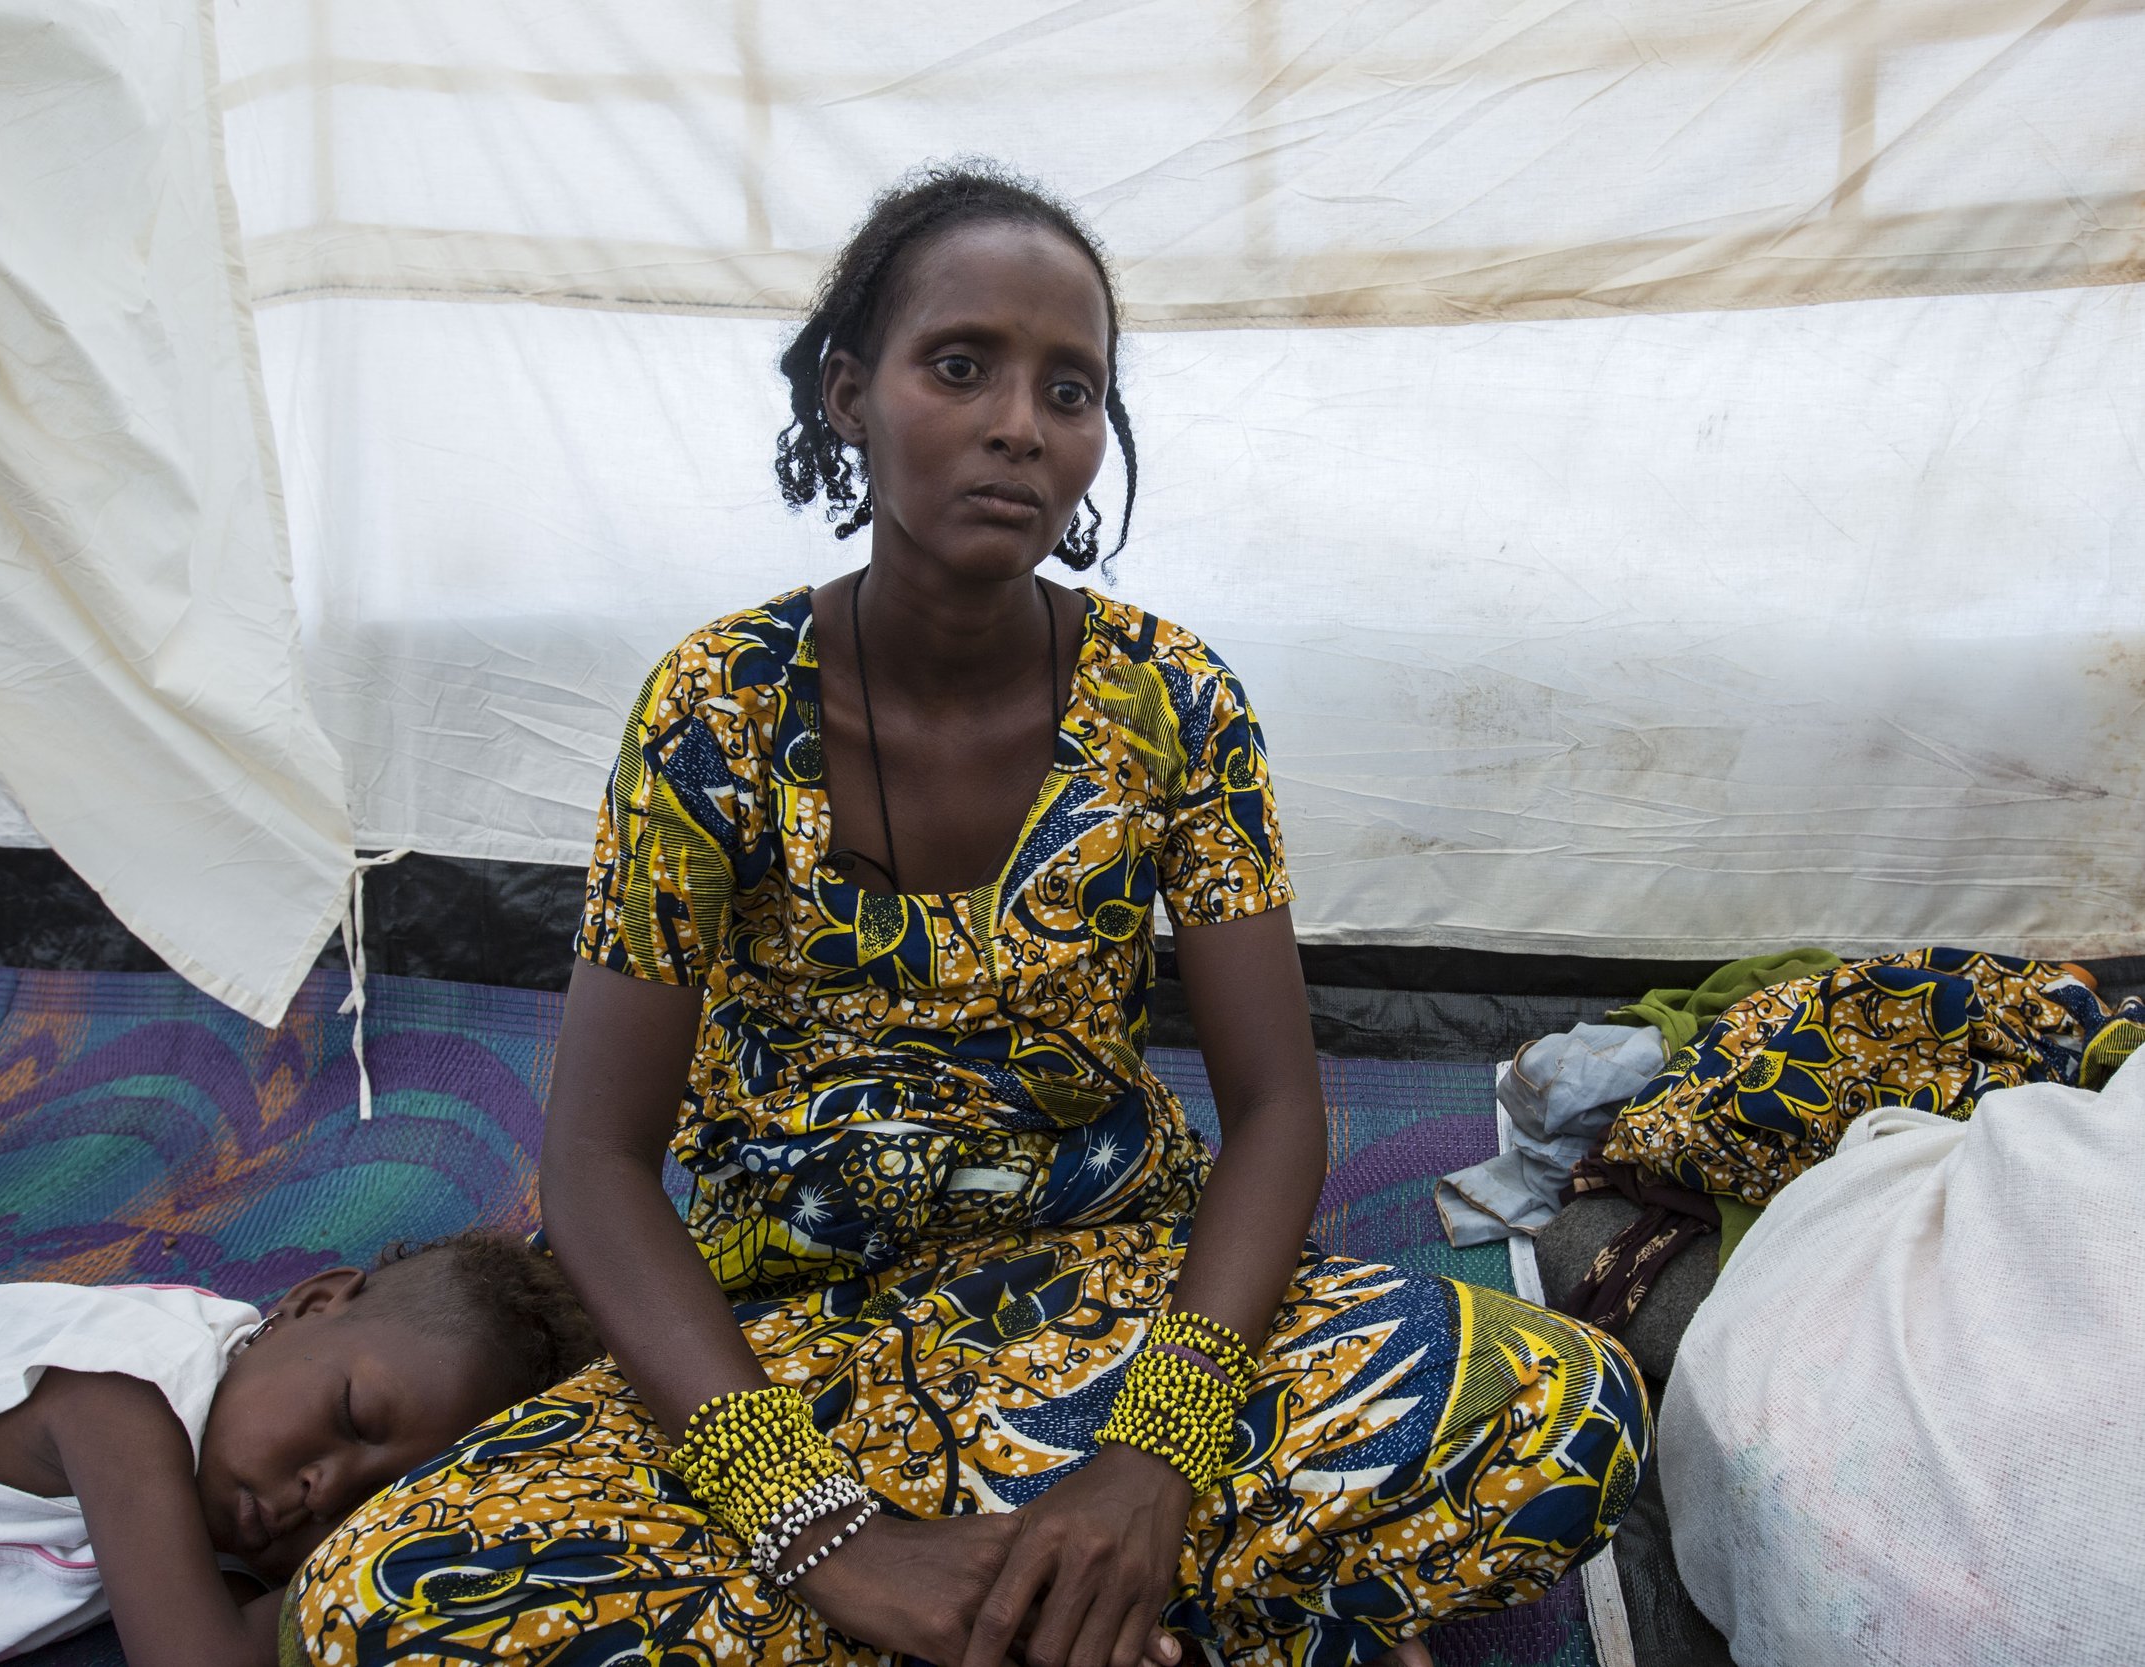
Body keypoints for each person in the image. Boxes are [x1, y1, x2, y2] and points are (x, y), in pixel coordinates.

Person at [289, 164, 1647, 1667]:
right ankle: (1109, 1618)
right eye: (960, 366)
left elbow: (1275, 1111)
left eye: (1071, 389)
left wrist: (1154, 1461)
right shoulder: (713, 711)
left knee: (1563, 1407)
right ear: (847, 396)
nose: (1020, 422)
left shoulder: (1171, 703)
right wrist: (834, 1539)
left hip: (1113, 1300)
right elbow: (597, 1162)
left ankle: (1060, 1590)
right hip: (794, 1342)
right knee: (380, 1606)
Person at [0, 1231, 596, 1667]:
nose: (323, 1490)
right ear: (308, 1302)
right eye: (351, 1417)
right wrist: (461, 1556)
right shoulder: (120, 1398)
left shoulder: (226, 1439)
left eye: (369, 1507)